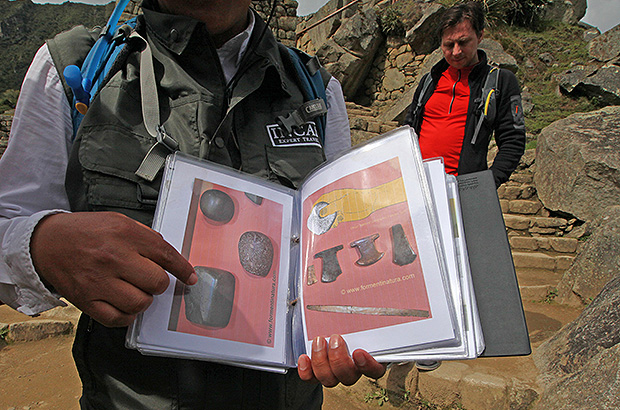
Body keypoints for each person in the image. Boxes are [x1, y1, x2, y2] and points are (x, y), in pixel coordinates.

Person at [0, 0, 386, 408]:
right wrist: (41, 245)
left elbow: (335, 247)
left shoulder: (318, 91)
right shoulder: (75, 71)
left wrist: (352, 328)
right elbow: (9, 221)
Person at [404, 1, 526, 188]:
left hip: (465, 191)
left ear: (480, 36)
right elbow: (409, 130)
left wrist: (488, 182)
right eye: (449, 44)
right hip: (420, 188)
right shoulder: (429, 81)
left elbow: (513, 140)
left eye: (463, 42)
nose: (456, 51)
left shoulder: (500, 82)